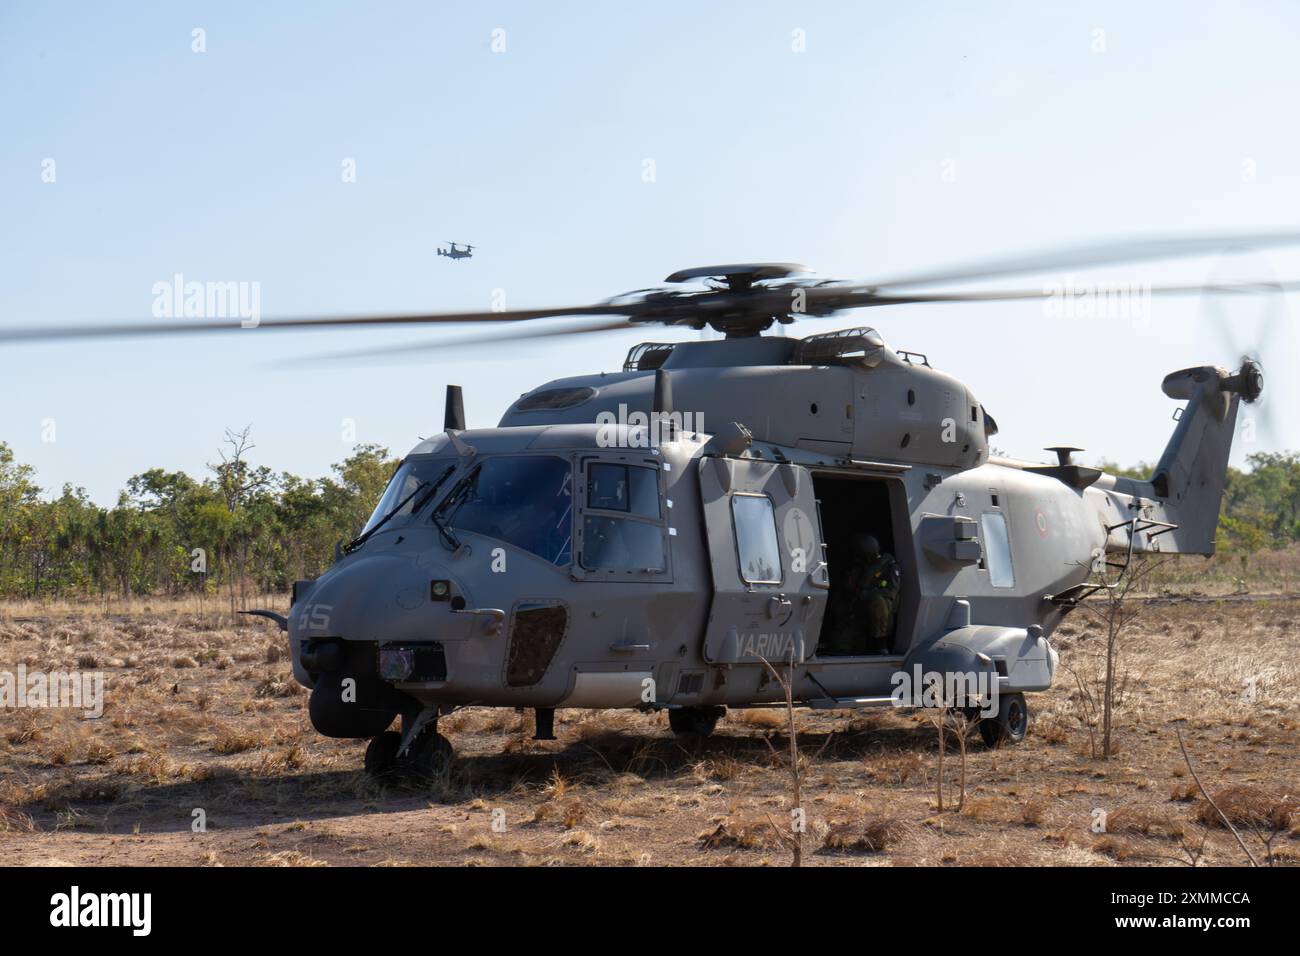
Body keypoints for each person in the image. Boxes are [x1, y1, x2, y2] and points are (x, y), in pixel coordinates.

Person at [825, 533, 900, 655]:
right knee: (840, 646)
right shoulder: (858, 568)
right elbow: (848, 590)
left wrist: (866, 594)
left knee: (878, 602)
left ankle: (881, 644)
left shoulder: (889, 567)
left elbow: (890, 592)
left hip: (881, 611)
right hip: (857, 610)